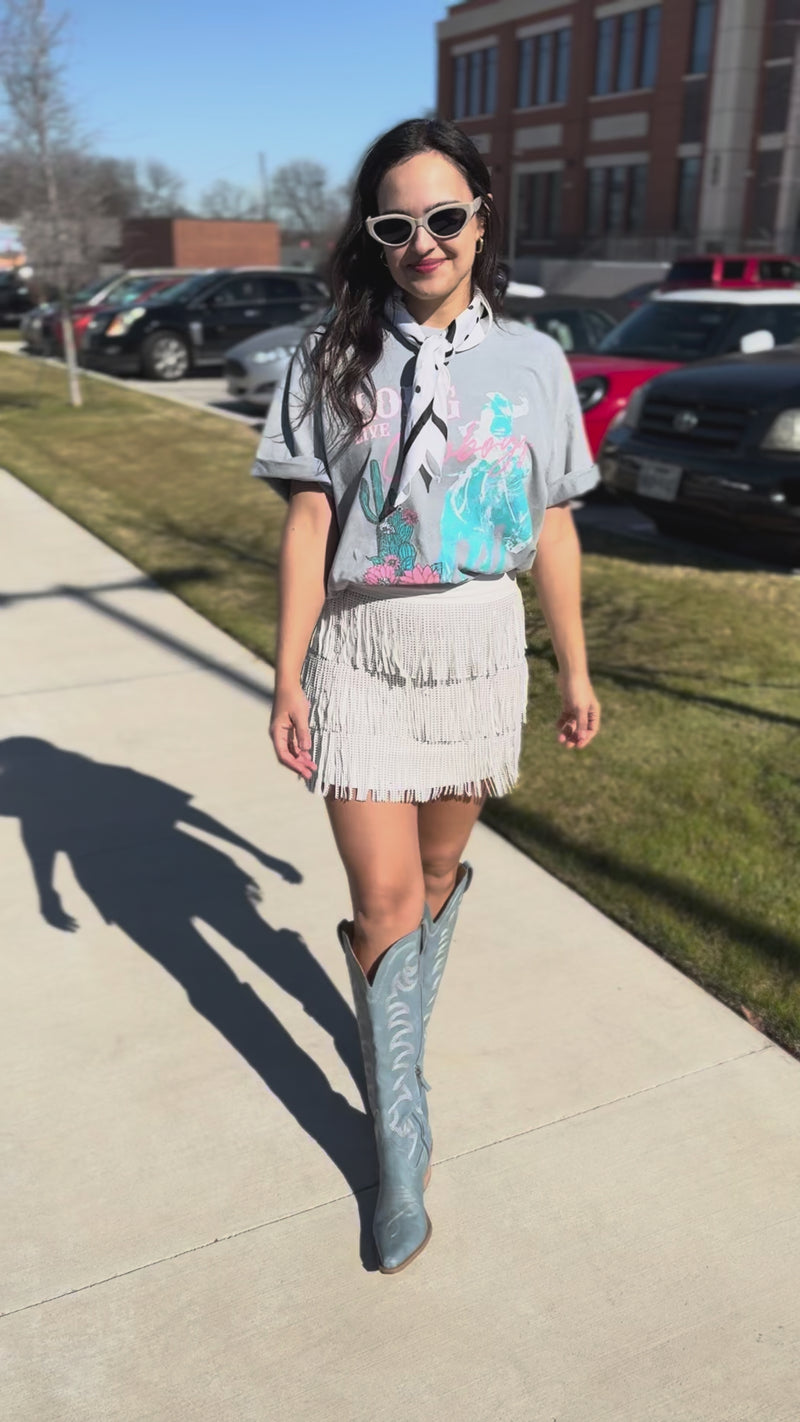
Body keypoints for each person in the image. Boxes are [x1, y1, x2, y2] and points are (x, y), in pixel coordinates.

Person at [251, 117, 601, 1275]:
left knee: (439, 874)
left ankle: (392, 1051)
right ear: (371, 236)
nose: (424, 242)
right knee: (385, 896)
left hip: (476, 652)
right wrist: (285, 671)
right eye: (396, 224)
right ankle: (400, 1138)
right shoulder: (325, 356)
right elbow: (308, 521)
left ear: (481, 221)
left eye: (444, 217)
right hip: (359, 650)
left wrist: (574, 668)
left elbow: (554, 526)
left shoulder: (534, 362)